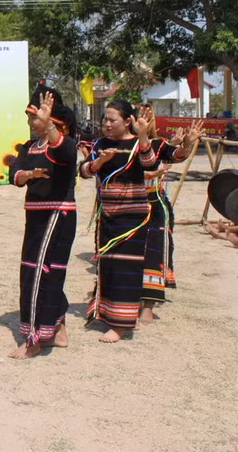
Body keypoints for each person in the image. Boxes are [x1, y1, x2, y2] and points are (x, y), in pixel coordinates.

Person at [8, 86, 78, 359]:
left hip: (57, 215)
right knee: (37, 269)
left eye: (35, 119)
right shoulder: (29, 147)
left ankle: (34, 339)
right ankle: (57, 328)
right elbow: (14, 175)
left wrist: (49, 125)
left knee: (40, 273)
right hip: (35, 215)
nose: (31, 124)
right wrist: (26, 174)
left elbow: (65, 155)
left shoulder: (65, 145)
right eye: (31, 119)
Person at [80, 100, 157, 343]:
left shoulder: (137, 144)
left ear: (127, 121)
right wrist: (100, 162)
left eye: (112, 120)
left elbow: (151, 164)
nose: (106, 124)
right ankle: (107, 314)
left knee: (126, 269)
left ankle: (122, 324)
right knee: (108, 266)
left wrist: (143, 136)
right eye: (104, 119)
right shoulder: (99, 144)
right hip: (107, 216)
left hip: (132, 219)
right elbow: (83, 171)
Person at [138, 105, 204, 323]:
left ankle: (148, 304)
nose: (141, 120)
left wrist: (186, 143)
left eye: (145, 117)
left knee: (153, 252)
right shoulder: (120, 145)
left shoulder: (158, 145)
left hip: (153, 206)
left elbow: (177, 155)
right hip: (124, 205)